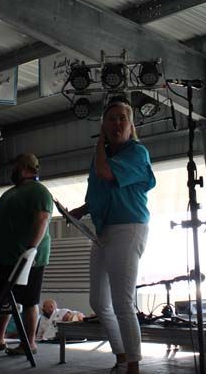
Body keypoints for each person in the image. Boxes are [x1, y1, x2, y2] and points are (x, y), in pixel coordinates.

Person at [70, 96, 156, 374]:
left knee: (122, 300)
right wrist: (81, 209)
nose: (116, 123)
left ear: (131, 125)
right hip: (104, 229)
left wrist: (99, 144)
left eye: (122, 118)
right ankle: (120, 354)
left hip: (128, 227)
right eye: (111, 118)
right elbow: (98, 189)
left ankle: (133, 364)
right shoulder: (102, 157)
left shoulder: (136, 153)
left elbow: (106, 174)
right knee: (98, 301)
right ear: (103, 124)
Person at [0, 153, 53, 356]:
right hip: (5, 259)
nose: (11, 170)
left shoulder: (39, 191)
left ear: (22, 167)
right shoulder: (12, 192)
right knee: (3, 301)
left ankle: (29, 343)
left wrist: (30, 251)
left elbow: (43, 219)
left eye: (14, 166)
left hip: (26, 260)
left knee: (29, 300)